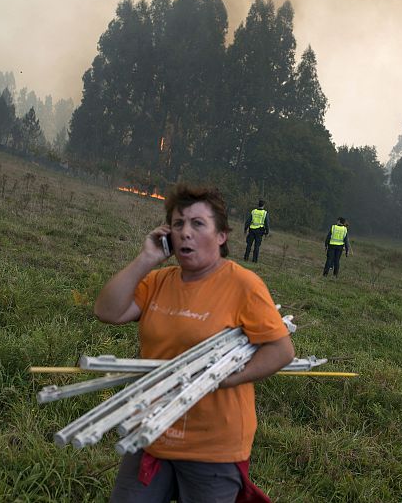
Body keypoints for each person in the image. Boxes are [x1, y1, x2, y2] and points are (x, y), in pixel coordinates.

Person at [94, 183, 295, 502]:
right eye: (178, 224)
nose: (185, 232)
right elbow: (107, 311)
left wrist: (227, 377)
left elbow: (281, 350)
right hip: (151, 432)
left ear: (221, 235)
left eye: (198, 224)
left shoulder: (244, 285)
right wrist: (146, 259)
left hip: (212, 448)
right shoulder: (158, 281)